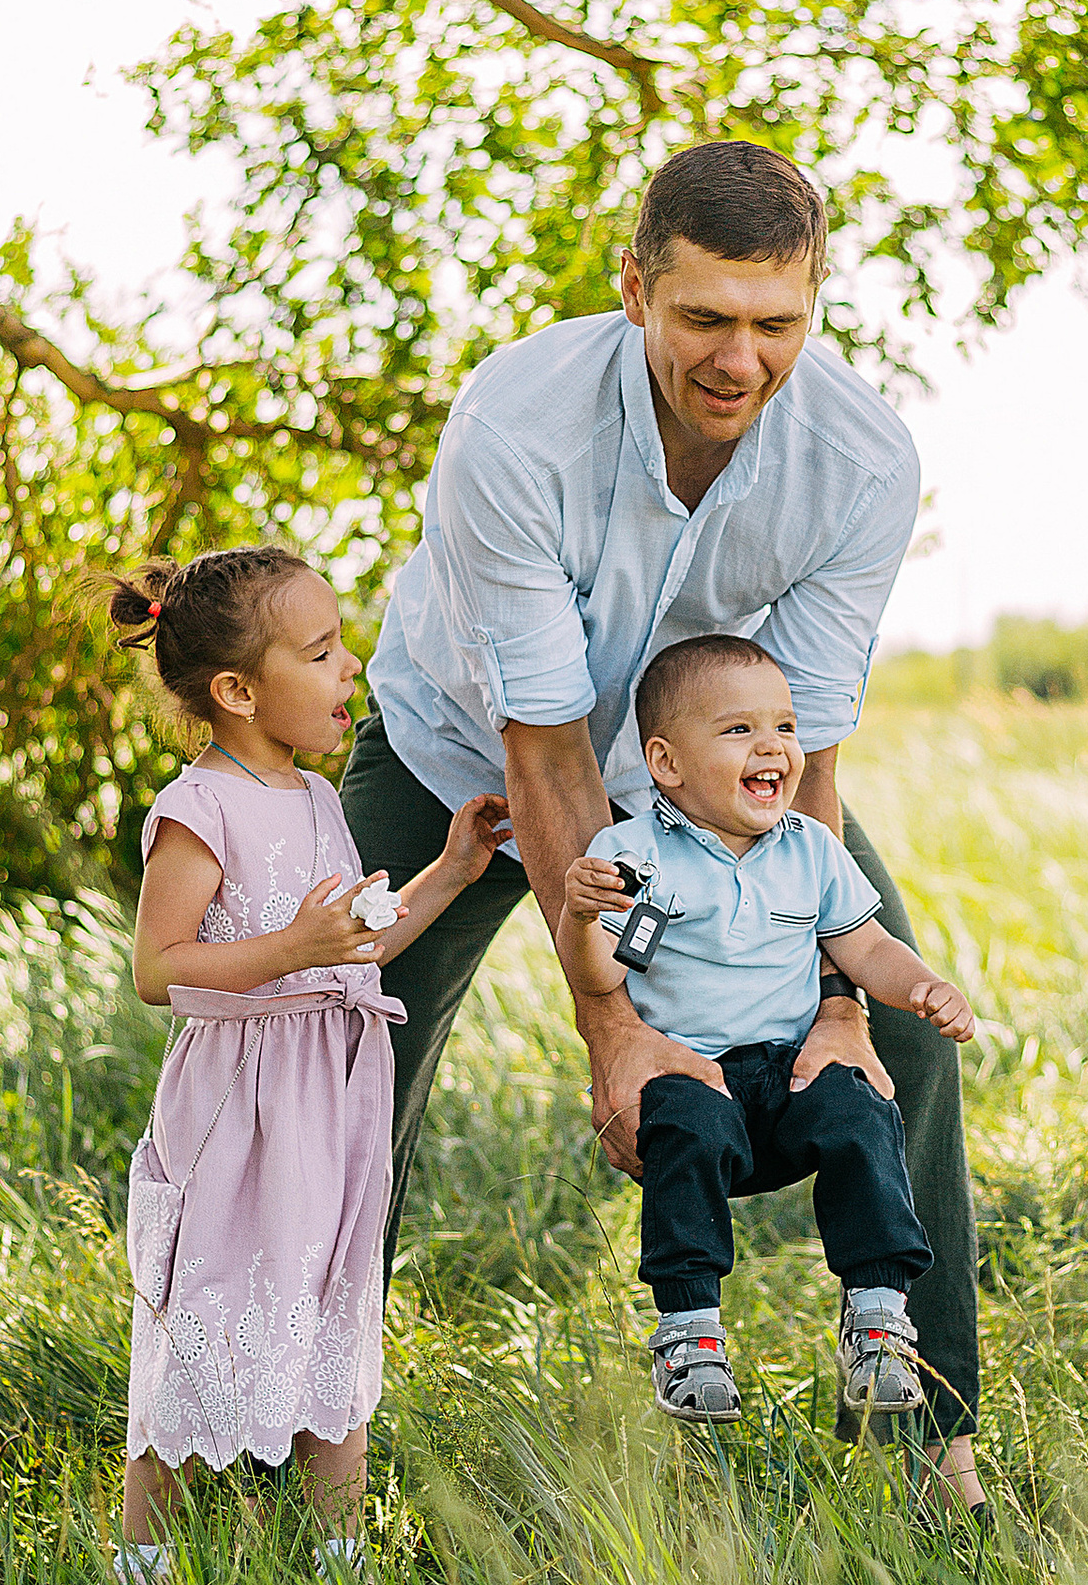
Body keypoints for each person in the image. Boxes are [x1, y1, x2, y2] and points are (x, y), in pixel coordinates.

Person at [346, 136, 989, 1512]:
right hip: (456, 748)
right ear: (636, 288)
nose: (741, 361)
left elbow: (800, 747)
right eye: (705, 319)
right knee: (342, 1045)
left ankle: (929, 1453)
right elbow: (544, 748)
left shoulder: (860, 459)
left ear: (815, 305)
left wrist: (828, 996)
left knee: (898, 1050)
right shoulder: (518, 424)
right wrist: (618, 1030)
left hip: (706, 773)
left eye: (778, 325)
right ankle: (302, 1430)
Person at [109, 544, 507, 1585]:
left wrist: (451, 869)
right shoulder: (203, 809)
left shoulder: (315, 800)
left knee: (332, 1296)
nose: (350, 672)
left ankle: (338, 1559)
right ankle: (143, 1560)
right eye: (323, 654)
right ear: (238, 691)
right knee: (210, 1303)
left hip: (329, 1097)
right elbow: (161, 967)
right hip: (240, 1104)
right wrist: (286, 950)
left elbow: (361, 940)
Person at [557, 635, 977, 1424]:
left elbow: (865, 947)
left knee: (857, 1108)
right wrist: (583, 918)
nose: (775, 748)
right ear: (667, 764)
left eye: (784, 727)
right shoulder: (637, 858)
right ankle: (690, 1335)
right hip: (698, 1075)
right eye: (740, 730)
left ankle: (879, 1317)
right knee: (676, 1115)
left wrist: (921, 986)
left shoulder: (811, 850)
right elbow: (601, 979)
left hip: (790, 1078)